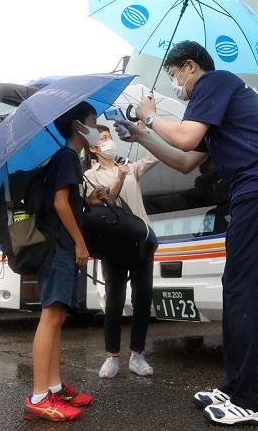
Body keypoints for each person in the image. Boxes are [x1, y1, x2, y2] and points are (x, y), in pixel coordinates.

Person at [118, 40, 258, 427]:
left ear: (189, 67)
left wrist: (150, 117)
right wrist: (140, 136)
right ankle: (235, 387)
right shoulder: (216, 104)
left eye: (174, 77)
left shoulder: (214, 82)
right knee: (238, 290)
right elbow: (185, 160)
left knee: (249, 291)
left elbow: (183, 137)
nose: (175, 87)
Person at [24, 101, 104, 422]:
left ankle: (54, 387)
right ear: (77, 126)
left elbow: (66, 201)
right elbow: (59, 204)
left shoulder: (64, 159)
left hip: (57, 246)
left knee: (57, 318)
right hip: (59, 247)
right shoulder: (68, 157)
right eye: (93, 122)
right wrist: (80, 243)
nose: (97, 130)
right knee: (51, 317)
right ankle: (39, 396)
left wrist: (87, 200)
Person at [84, 125, 159, 379]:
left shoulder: (130, 167)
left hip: (142, 241)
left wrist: (142, 132)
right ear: (93, 148)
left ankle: (137, 354)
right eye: (103, 139)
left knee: (143, 299)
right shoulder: (89, 176)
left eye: (109, 137)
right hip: (113, 244)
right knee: (114, 301)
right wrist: (118, 178)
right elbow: (106, 201)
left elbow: (155, 155)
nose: (108, 142)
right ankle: (112, 356)